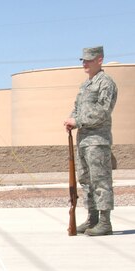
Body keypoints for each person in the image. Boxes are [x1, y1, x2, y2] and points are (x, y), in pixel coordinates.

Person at [64, 46, 118, 236]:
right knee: (86, 181)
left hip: (97, 141)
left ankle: (105, 222)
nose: (84, 63)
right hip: (83, 141)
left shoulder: (106, 83)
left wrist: (77, 121)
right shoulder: (85, 85)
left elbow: (103, 112)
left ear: (99, 60)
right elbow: (77, 107)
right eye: (83, 60)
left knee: (100, 180)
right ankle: (92, 218)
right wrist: (71, 120)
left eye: (88, 60)